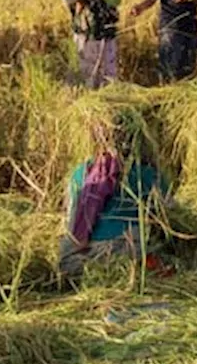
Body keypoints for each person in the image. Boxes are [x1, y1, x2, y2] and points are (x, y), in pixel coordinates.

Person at [60, 116, 173, 280]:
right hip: (129, 252)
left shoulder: (80, 173)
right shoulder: (148, 174)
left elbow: (70, 216)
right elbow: (169, 216)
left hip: (84, 256)